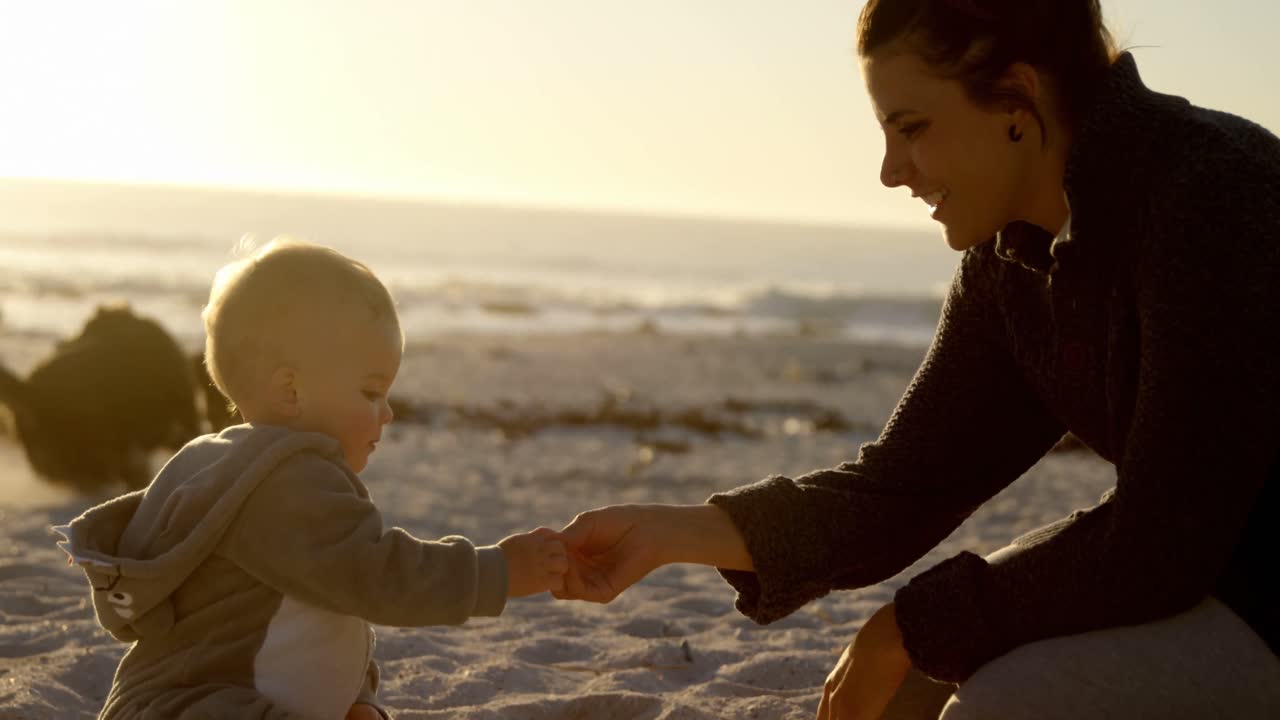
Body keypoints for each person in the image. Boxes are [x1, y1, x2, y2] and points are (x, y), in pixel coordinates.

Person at [553, 1, 1280, 718]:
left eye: (913, 129)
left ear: (1016, 99)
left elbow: (1166, 536)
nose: (890, 172)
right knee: (906, 690)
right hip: (1205, 569)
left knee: (1000, 704)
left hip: (1246, 587)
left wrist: (907, 624)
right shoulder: (1011, 257)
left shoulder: (1214, 195)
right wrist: (667, 532)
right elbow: (902, 486)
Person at [55, 239, 569, 720]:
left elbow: (323, 612)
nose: (386, 413)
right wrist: (496, 571)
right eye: (371, 392)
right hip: (197, 706)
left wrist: (356, 697)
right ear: (292, 390)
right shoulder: (285, 482)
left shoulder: (237, 467)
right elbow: (376, 579)